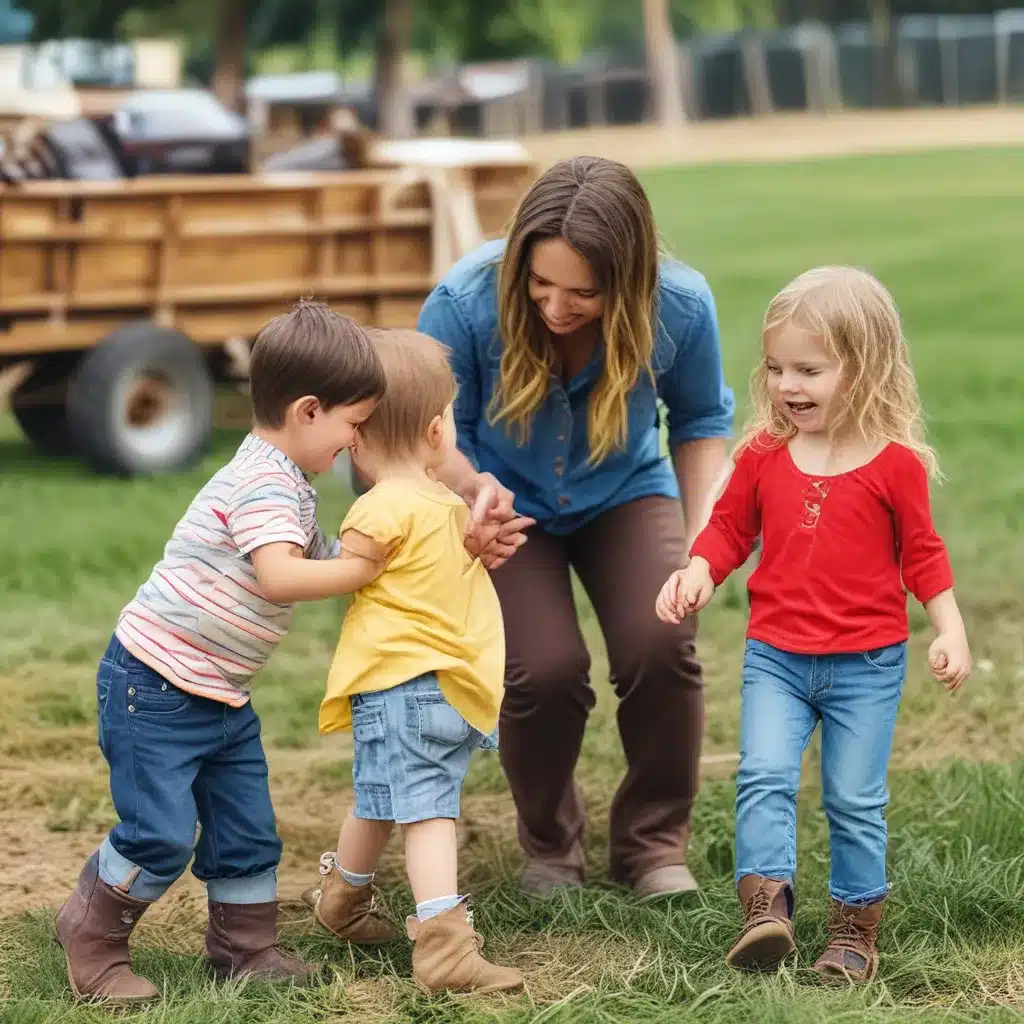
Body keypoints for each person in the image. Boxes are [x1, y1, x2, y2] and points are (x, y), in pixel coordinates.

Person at [51, 302, 518, 1005]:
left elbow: (334, 555)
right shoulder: (262, 482)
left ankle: (244, 947)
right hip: (153, 683)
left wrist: (419, 553)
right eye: (352, 424)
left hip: (218, 692)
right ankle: (91, 932)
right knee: (161, 833)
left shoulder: (289, 484)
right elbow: (283, 574)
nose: (355, 442)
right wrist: (364, 571)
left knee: (247, 830)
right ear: (307, 411)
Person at [416, 155, 735, 900]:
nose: (557, 307)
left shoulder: (681, 306)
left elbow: (700, 421)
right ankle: (551, 848)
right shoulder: (464, 301)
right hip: (500, 499)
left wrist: (701, 547)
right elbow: (431, 431)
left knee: (661, 643)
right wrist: (471, 494)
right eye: (540, 284)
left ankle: (653, 846)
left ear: (627, 279)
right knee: (544, 671)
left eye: (584, 292)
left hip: (625, 488)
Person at [656, 266, 972, 982]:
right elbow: (729, 529)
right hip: (777, 658)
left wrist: (948, 628)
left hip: (867, 664)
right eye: (775, 369)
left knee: (854, 800)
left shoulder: (894, 466)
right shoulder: (765, 455)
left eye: (809, 369)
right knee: (763, 773)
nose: (787, 386)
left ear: (864, 369)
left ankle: (854, 933)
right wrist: (700, 570)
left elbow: (923, 555)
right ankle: (766, 911)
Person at [305, 329, 524, 995]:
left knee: (379, 795)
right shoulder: (396, 508)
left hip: (406, 685)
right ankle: (444, 947)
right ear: (435, 432)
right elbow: (347, 571)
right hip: (413, 683)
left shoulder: (433, 504)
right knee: (429, 810)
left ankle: (341, 899)